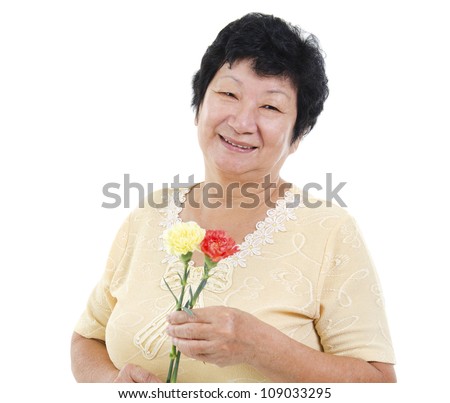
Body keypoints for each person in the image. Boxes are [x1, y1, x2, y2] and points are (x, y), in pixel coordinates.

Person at [71, 12, 396, 383]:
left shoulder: (330, 231)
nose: (242, 122)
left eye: (270, 107)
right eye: (228, 94)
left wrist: (262, 347)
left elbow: (379, 384)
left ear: (298, 133)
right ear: (199, 105)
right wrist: (113, 384)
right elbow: (87, 338)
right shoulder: (148, 215)